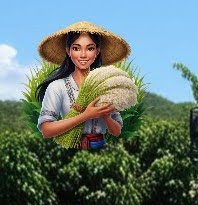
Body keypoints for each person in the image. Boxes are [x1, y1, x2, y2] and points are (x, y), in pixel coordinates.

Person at [35, 21, 131, 149]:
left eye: (90, 48)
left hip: (100, 150)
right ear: (68, 51)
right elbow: (46, 130)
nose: (83, 55)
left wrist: (106, 116)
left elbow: (116, 131)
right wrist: (86, 115)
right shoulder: (57, 87)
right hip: (69, 151)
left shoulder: (105, 86)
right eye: (76, 48)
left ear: (97, 51)